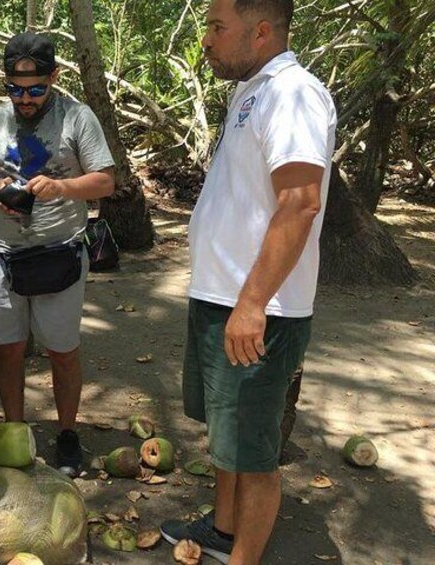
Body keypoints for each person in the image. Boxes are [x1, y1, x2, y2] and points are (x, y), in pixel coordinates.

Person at [159, 1, 337, 564]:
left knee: (255, 449)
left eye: (216, 28)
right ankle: (224, 525)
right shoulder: (251, 91)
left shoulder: (293, 92)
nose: (205, 41)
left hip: (258, 306)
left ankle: (244, 557)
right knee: (227, 434)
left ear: (261, 31)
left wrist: (253, 302)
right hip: (221, 296)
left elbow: (300, 203)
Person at [0, 32, 115, 477]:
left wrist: (62, 187)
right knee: (8, 350)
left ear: (54, 77)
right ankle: (15, 430)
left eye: (35, 89)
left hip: (60, 254)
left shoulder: (77, 118)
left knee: (62, 350)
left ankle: (67, 433)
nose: (24, 98)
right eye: (14, 88)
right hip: (4, 256)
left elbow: (105, 180)